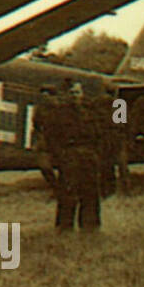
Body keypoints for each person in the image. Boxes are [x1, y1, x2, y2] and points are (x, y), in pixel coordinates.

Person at [50, 81, 103, 232]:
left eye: (78, 92)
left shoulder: (90, 112)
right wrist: (61, 156)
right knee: (68, 192)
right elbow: (52, 137)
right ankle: (65, 226)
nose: (75, 96)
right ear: (67, 95)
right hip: (70, 155)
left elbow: (99, 134)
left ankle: (90, 225)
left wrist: (96, 154)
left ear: (82, 94)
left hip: (88, 155)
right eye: (72, 93)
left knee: (91, 191)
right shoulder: (59, 114)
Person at [95, 84, 130, 197]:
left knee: (105, 164)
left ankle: (107, 190)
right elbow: (122, 123)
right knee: (122, 165)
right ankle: (125, 190)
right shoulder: (119, 104)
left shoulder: (97, 103)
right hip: (117, 135)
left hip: (104, 136)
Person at [31, 83, 63, 192]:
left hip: (59, 140)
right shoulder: (40, 109)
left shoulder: (61, 109)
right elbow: (36, 125)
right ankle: (56, 188)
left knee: (63, 167)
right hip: (45, 141)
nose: (45, 98)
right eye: (43, 95)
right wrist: (37, 140)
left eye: (48, 95)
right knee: (44, 166)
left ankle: (61, 190)